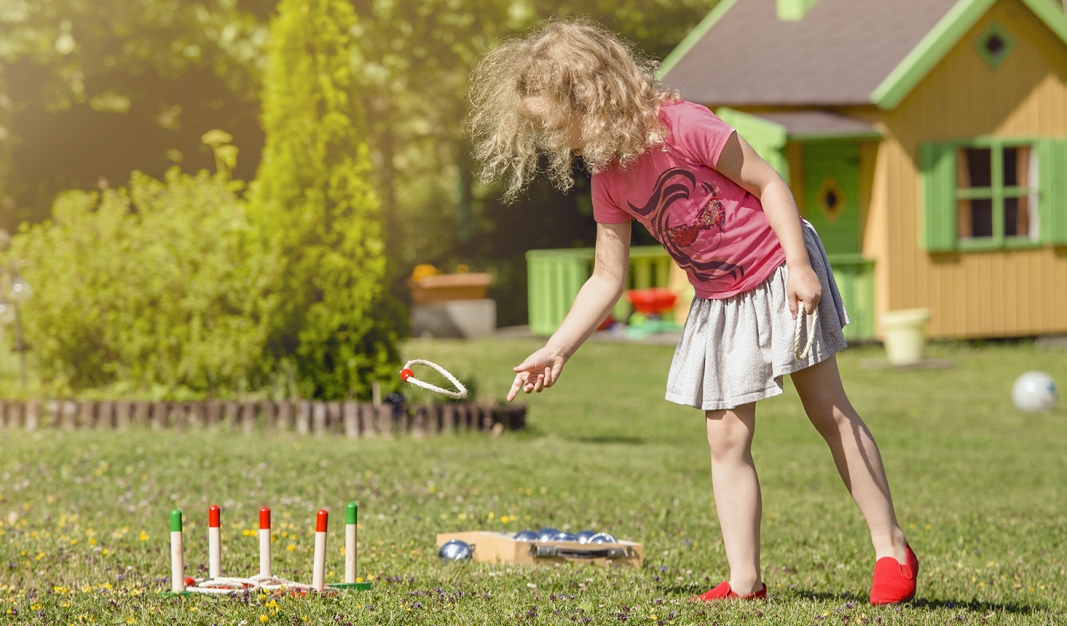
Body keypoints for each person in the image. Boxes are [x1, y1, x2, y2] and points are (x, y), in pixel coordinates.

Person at [467, 19, 918, 605]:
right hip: (720, 301)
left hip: (779, 271)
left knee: (827, 409)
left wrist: (800, 266)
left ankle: (892, 548)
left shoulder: (683, 125)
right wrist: (557, 347)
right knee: (725, 439)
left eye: (559, 124)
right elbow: (607, 277)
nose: (559, 142)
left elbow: (769, 184)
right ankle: (745, 582)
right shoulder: (608, 179)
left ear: (592, 97)